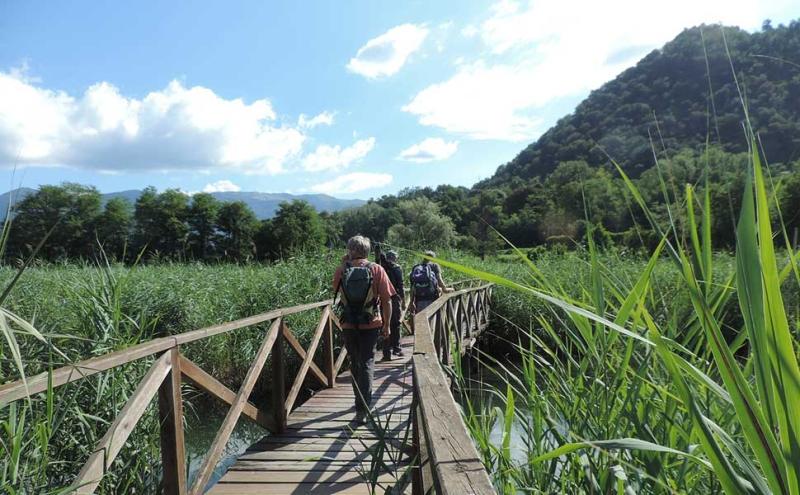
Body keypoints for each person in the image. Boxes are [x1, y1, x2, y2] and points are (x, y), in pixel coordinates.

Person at [333, 235, 394, 425]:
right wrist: (387, 324)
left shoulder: (342, 270)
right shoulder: (377, 269)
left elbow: (336, 292)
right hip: (371, 323)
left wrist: (344, 264)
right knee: (367, 362)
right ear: (367, 251)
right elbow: (387, 300)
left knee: (355, 362)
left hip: (349, 323)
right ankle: (363, 409)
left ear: (350, 250)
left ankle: (358, 402)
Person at [409, 250, 452, 315]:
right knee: (432, 318)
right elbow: (439, 280)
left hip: (419, 298)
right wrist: (444, 288)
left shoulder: (416, 267)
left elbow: (412, 286)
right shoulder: (434, 266)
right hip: (432, 297)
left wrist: (411, 302)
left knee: (420, 317)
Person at [380, 250, 405, 361]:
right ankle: (397, 349)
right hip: (394, 298)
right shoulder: (396, 268)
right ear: (395, 258)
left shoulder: (380, 267)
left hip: (381, 299)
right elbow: (400, 284)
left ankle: (386, 353)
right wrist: (403, 300)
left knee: (385, 324)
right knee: (396, 324)